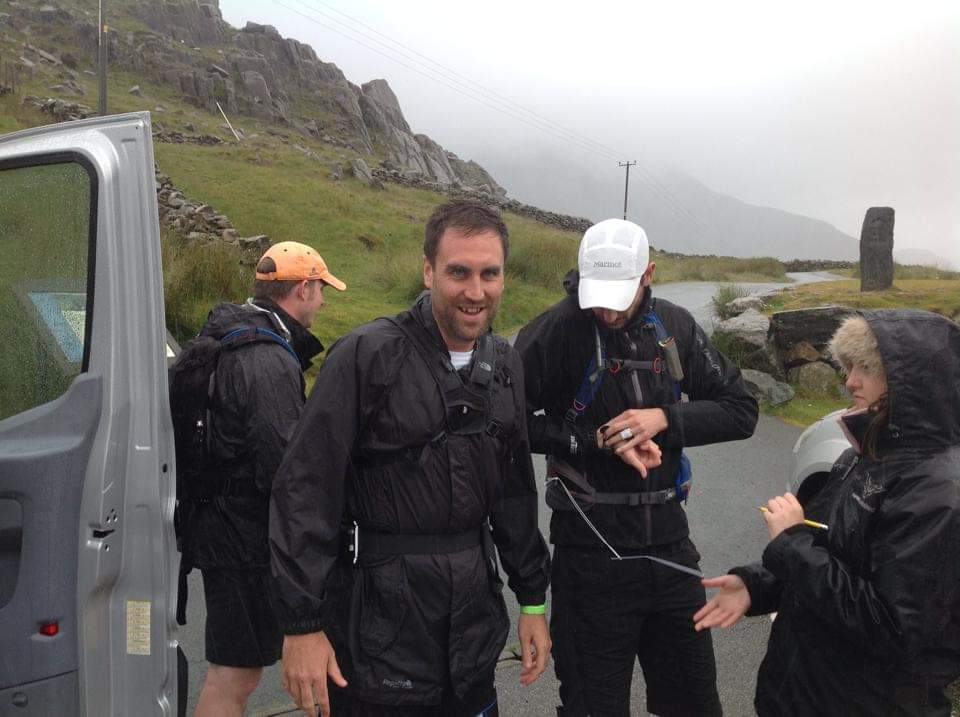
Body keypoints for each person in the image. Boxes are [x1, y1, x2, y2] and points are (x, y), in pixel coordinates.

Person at [269, 200, 552, 717]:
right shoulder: (366, 356)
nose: (476, 291)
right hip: (377, 637)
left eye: (490, 274)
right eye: (458, 272)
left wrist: (532, 600)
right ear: (428, 271)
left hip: (472, 634)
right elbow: (305, 490)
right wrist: (302, 626)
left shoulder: (505, 363)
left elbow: (514, 495)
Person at [514, 218, 759, 717]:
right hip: (588, 557)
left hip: (670, 547)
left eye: (618, 297)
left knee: (694, 704)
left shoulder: (675, 326)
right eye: (596, 296)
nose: (606, 311)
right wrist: (593, 440)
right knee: (592, 707)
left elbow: (741, 410)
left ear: (648, 274)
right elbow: (508, 422)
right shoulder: (555, 331)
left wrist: (664, 419)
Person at [694, 309, 960, 716]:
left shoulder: (937, 493)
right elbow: (829, 551)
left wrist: (791, 542)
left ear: (912, 382)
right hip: (805, 694)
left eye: (866, 368)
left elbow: (892, 628)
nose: (850, 381)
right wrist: (757, 585)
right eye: (849, 366)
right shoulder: (867, 455)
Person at [181, 241, 346, 717]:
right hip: (244, 541)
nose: (322, 301)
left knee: (237, 668)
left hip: (219, 529)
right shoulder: (266, 358)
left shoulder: (228, 333)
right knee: (237, 672)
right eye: (321, 290)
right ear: (303, 288)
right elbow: (287, 466)